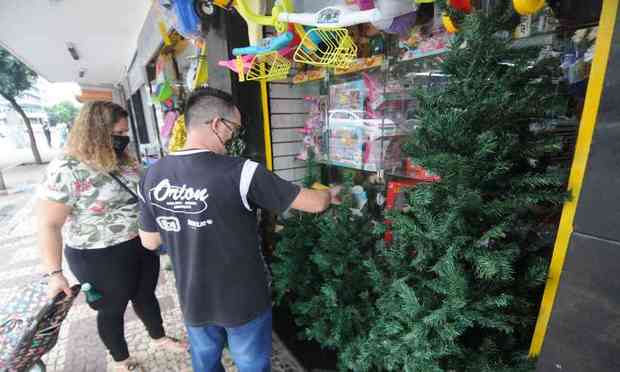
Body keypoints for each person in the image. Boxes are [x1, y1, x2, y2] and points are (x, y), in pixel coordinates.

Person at [138, 87, 340, 372]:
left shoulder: (151, 175)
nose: (234, 136)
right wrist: (333, 191)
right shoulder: (242, 172)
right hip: (242, 299)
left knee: (205, 363)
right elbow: (316, 203)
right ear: (217, 124)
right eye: (234, 128)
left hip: (193, 296)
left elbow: (150, 241)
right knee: (251, 364)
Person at [38, 101, 187, 372]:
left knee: (145, 295)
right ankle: (121, 359)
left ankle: (158, 336)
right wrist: (54, 273)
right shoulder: (67, 168)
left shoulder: (123, 159)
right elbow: (49, 225)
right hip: (97, 255)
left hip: (141, 244)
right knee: (112, 308)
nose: (123, 138)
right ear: (95, 132)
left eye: (125, 132)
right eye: (117, 133)